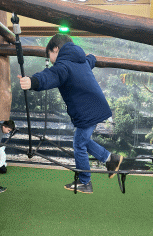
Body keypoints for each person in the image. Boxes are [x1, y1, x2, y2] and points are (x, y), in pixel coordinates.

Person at [18, 34, 123, 194]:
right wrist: (93, 57)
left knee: (79, 144)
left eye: (49, 55)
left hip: (86, 111)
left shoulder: (63, 66)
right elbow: (90, 60)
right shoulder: (81, 61)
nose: (51, 60)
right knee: (83, 140)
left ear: (55, 49)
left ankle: (85, 182)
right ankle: (110, 158)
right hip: (95, 108)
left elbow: (50, 76)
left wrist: (33, 82)